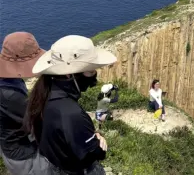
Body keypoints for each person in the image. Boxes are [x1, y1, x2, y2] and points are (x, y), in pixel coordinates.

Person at [23, 35, 117, 175]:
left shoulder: (44, 94)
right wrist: (98, 140)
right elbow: (93, 155)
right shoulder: (71, 113)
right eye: (90, 71)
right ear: (69, 75)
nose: (94, 76)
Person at [0, 32, 49, 175]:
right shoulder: (10, 95)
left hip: (10, 144)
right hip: (23, 155)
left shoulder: (7, 78)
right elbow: (38, 121)